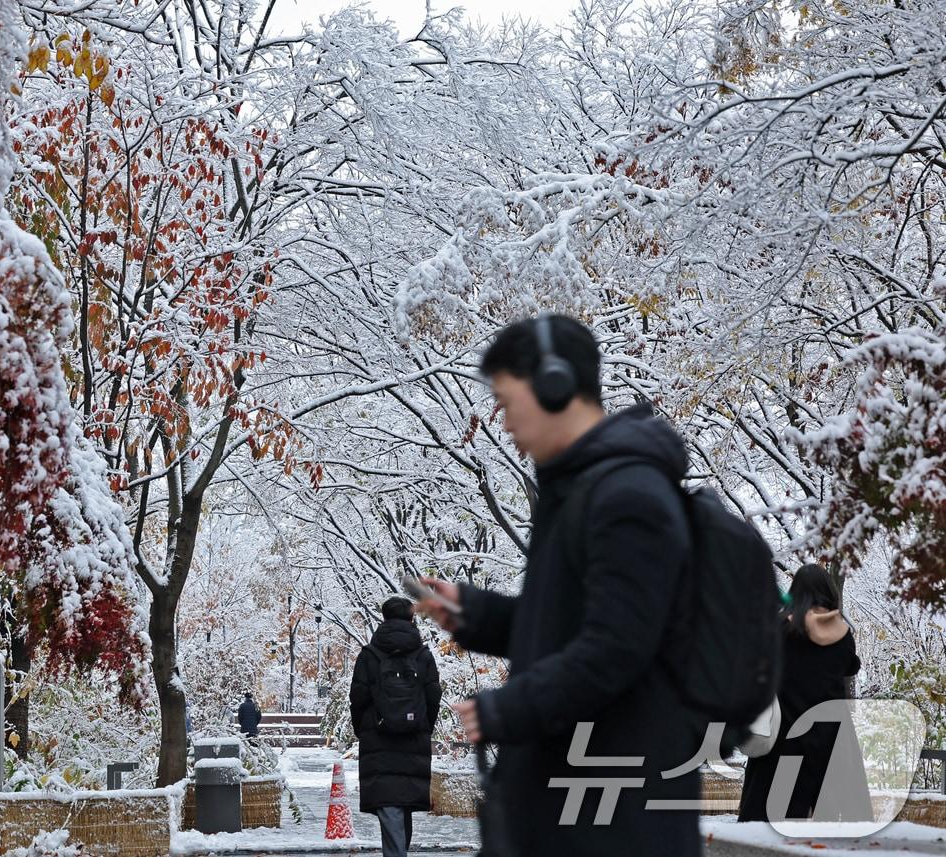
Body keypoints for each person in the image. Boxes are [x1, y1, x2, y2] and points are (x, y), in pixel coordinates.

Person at [414, 314, 702, 857]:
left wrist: (509, 708)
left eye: (506, 401)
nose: (502, 423)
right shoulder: (579, 491)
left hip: (614, 813)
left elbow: (617, 649)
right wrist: (479, 615)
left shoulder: (628, 498)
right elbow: (575, 624)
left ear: (555, 385)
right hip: (574, 799)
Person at [738, 564, 870, 822]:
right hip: (829, 742)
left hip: (783, 738)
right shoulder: (842, 635)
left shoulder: (779, 629)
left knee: (768, 826)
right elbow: (849, 666)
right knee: (829, 826)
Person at [350, 596, 442, 857]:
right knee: (403, 804)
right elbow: (433, 695)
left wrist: (363, 730)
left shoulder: (369, 655)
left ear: (384, 618)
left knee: (390, 805)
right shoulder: (424, 656)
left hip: (378, 739)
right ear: (412, 619)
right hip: (414, 738)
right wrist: (424, 727)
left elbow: (357, 698)